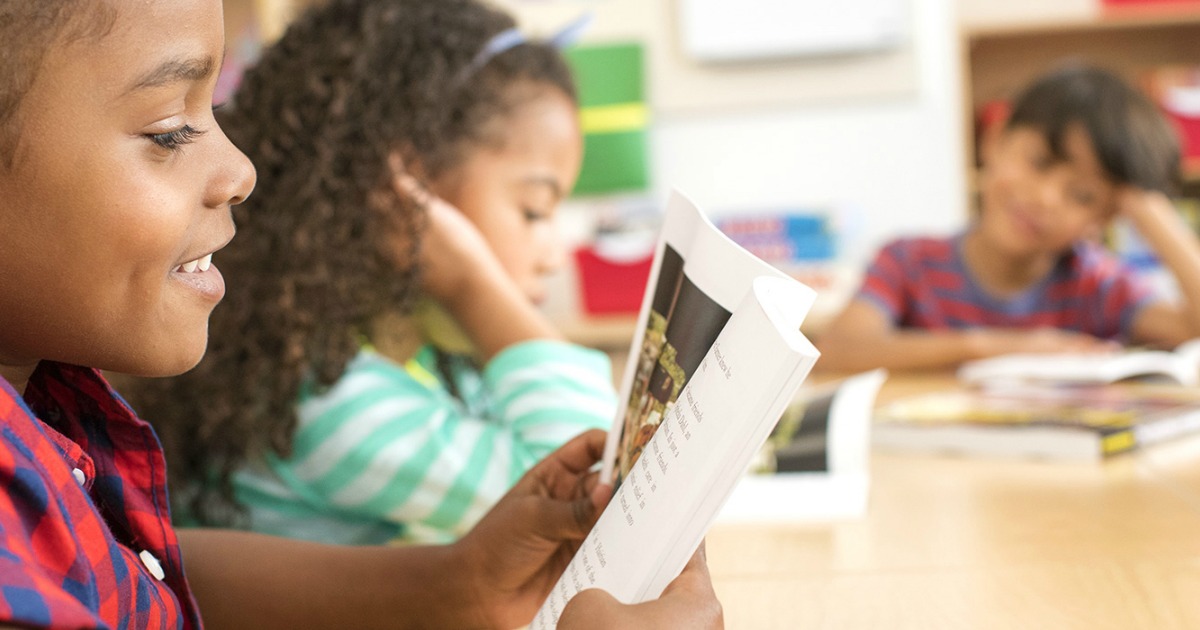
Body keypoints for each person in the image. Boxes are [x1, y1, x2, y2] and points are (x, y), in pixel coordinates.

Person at [0, 1, 722, 628]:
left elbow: (145, 576)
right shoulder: (319, 391)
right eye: (167, 130)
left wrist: (459, 585)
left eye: (212, 112)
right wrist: (475, 285)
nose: (239, 171)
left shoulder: (55, 409)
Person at [124, 0, 617, 545]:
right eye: (533, 212)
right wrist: (476, 286)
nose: (555, 253)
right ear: (404, 193)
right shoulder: (326, 403)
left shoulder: (414, 359)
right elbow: (591, 492)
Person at [817, 64, 1200, 372]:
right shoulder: (907, 262)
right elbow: (838, 351)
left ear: (1105, 217)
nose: (1047, 199)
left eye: (1082, 196)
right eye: (1039, 163)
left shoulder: (1097, 285)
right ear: (994, 141)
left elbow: (1192, 328)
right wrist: (995, 348)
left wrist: (1153, 213)